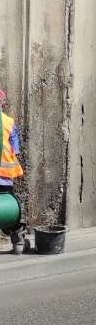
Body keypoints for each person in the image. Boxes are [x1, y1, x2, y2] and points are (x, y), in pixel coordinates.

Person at [0, 89, 26, 252]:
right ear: (2, 104)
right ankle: (18, 241)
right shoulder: (9, 122)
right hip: (5, 175)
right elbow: (16, 149)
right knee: (9, 202)